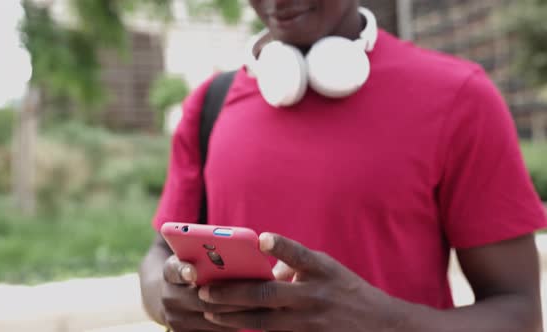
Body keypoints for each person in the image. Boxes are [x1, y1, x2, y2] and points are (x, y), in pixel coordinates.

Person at [139, 1, 547, 331]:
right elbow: (159, 252)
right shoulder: (209, 103)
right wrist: (165, 296)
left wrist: (386, 322)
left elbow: (520, 313)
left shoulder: (460, 98)